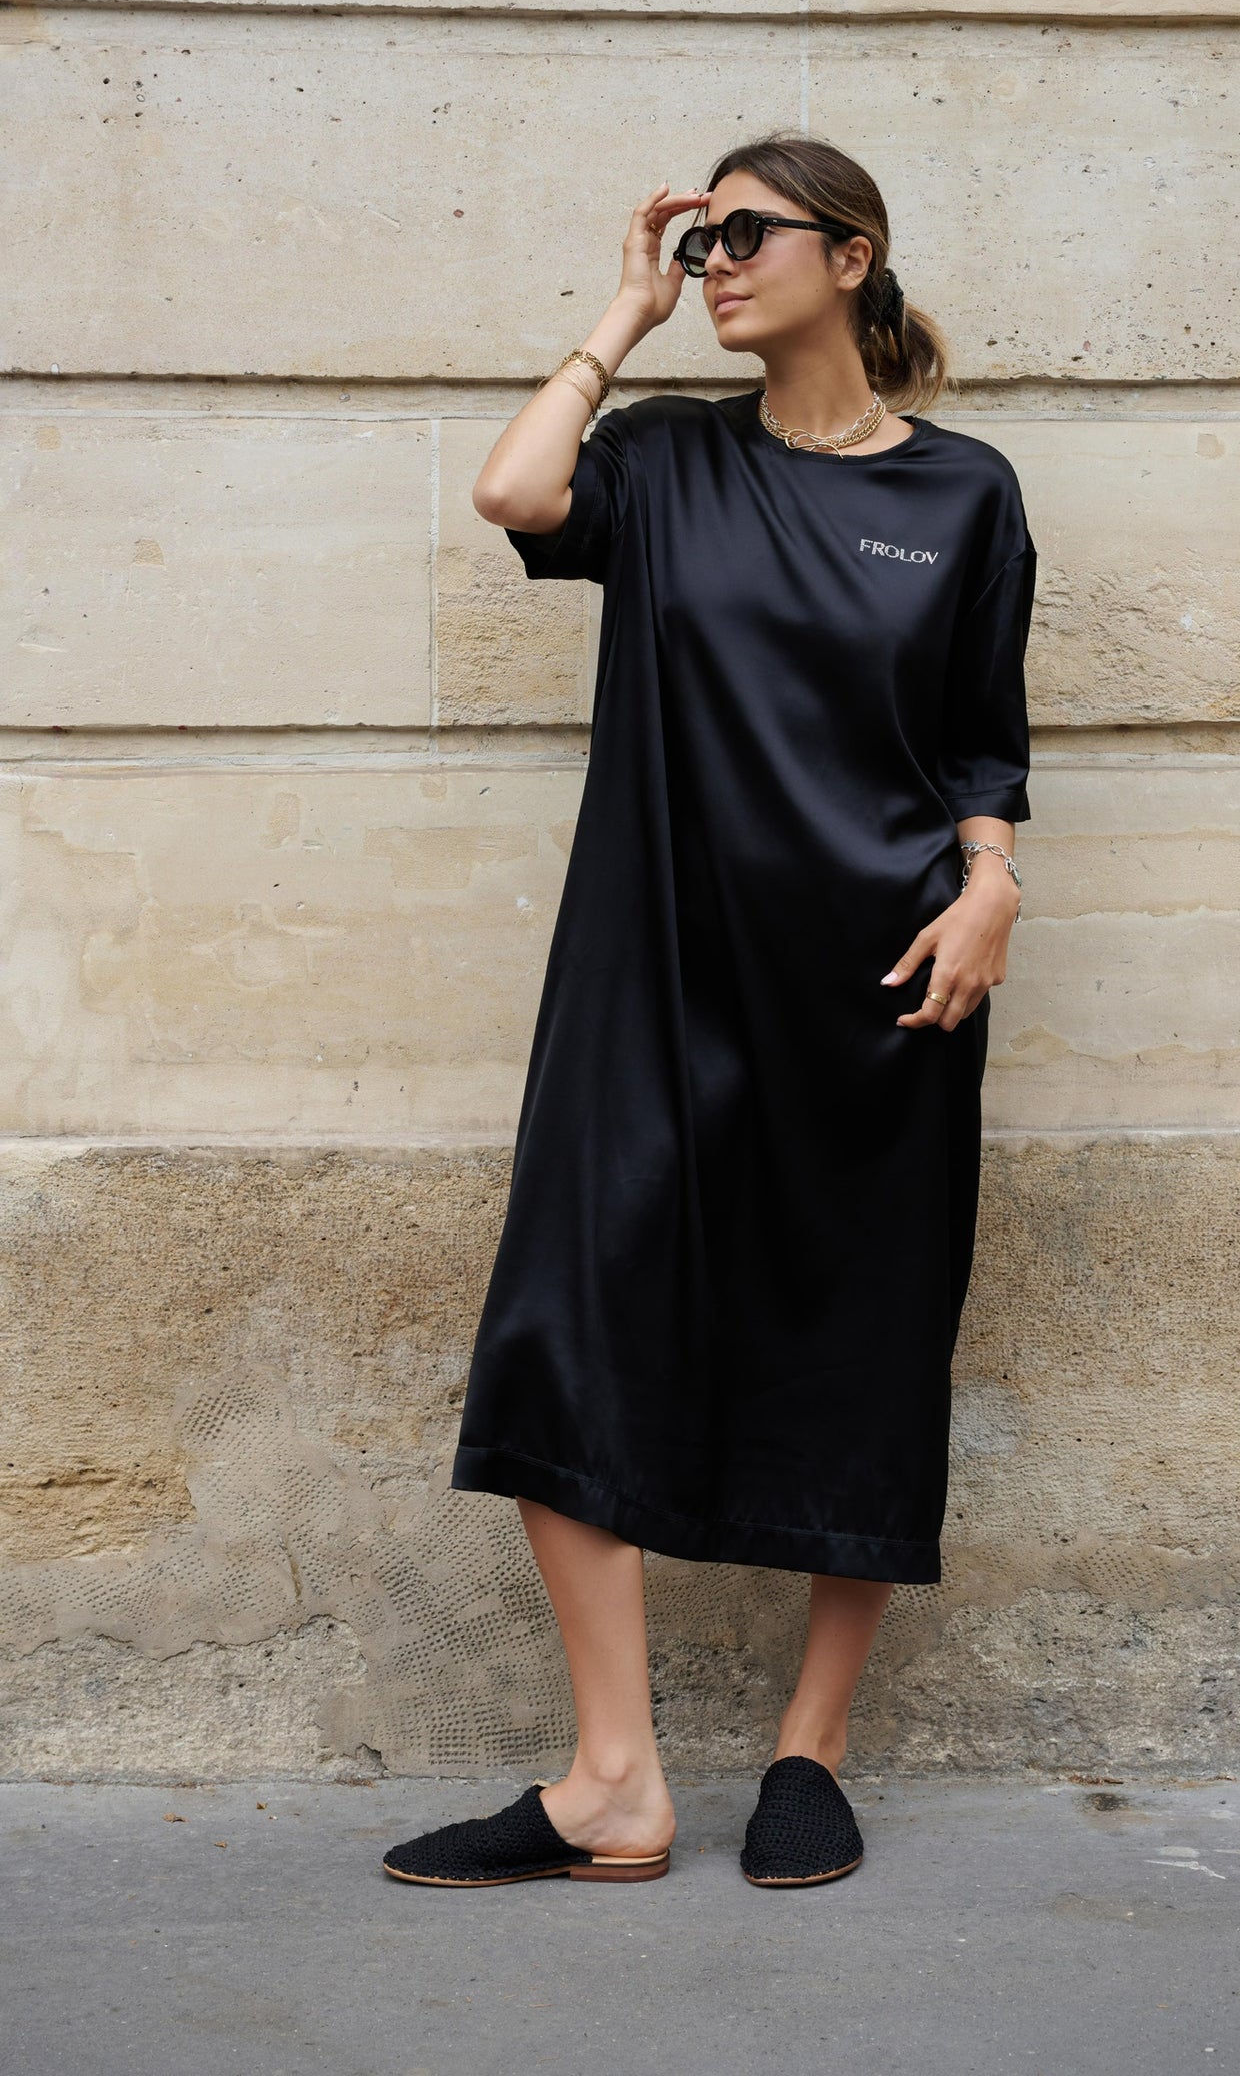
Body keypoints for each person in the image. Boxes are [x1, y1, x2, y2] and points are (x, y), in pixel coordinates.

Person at [382, 132, 1034, 1894]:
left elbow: (981, 740)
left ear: (852, 255)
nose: (715, 260)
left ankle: (808, 1749)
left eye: (744, 233)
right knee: (563, 1326)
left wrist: (990, 883)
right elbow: (514, 493)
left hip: (882, 985)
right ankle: (613, 1780)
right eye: (696, 239)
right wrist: (623, 313)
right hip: (655, 971)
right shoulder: (667, 461)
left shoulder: (964, 493)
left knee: (863, 1342)